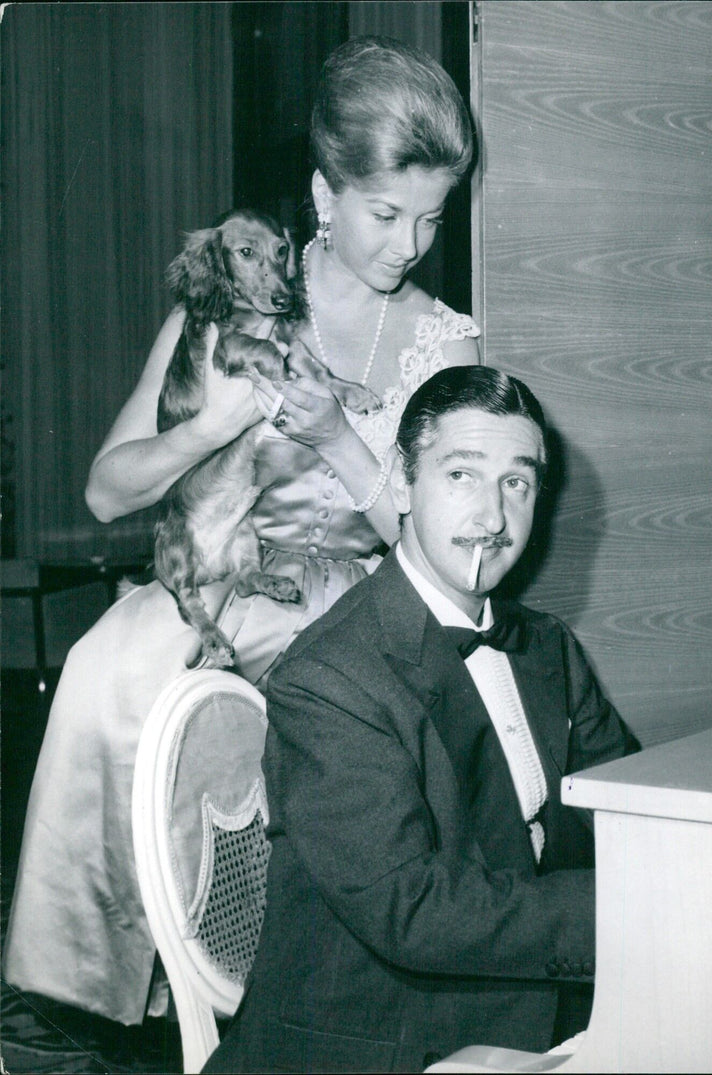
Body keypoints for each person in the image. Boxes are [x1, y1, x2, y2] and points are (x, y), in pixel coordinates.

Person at [3, 36, 480, 1027]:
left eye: (430, 216)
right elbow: (104, 489)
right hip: (219, 576)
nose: (408, 243)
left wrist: (342, 441)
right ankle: (85, 999)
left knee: (327, 717)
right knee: (109, 664)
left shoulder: (447, 341)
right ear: (323, 193)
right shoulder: (231, 295)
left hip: (355, 599)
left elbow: (449, 550)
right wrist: (213, 426)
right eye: (385, 213)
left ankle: (281, 991)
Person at [202, 365, 640, 1074]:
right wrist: (635, 915)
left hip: (537, 1004)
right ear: (403, 484)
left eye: (517, 483)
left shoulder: (547, 646)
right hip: (384, 1038)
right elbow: (414, 908)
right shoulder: (328, 676)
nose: (493, 517)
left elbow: (626, 806)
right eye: (462, 475)